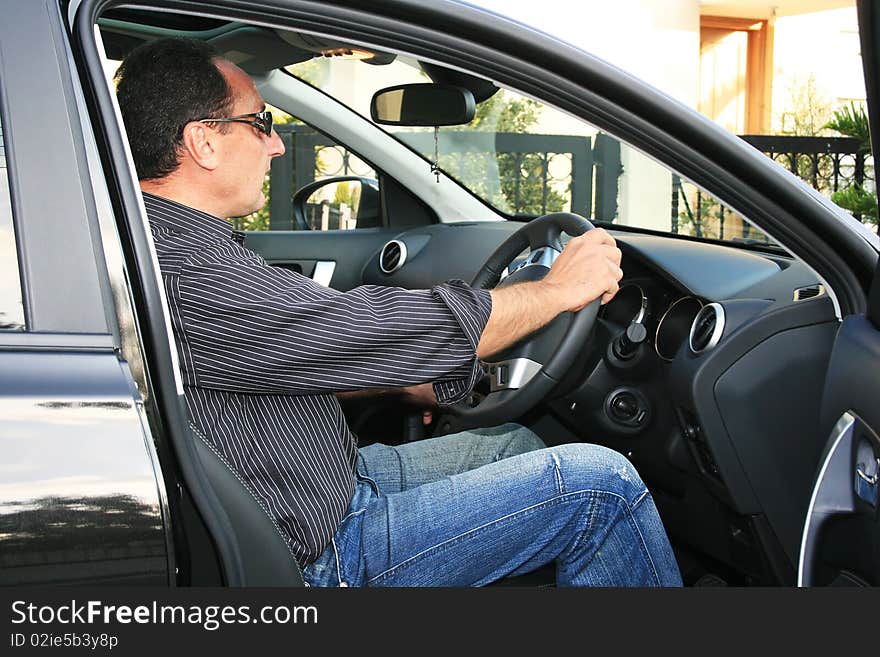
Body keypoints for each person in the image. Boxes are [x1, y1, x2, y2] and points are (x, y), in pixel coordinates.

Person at [114, 37, 682, 587]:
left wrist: (410, 385)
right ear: (204, 142)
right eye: (261, 124)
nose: (277, 145)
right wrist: (556, 291)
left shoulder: (161, 240)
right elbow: (363, 329)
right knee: (602, 486)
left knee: (516, 443)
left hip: (331, 483)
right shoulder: (191, 267)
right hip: (328, 551)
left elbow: (289, 357)